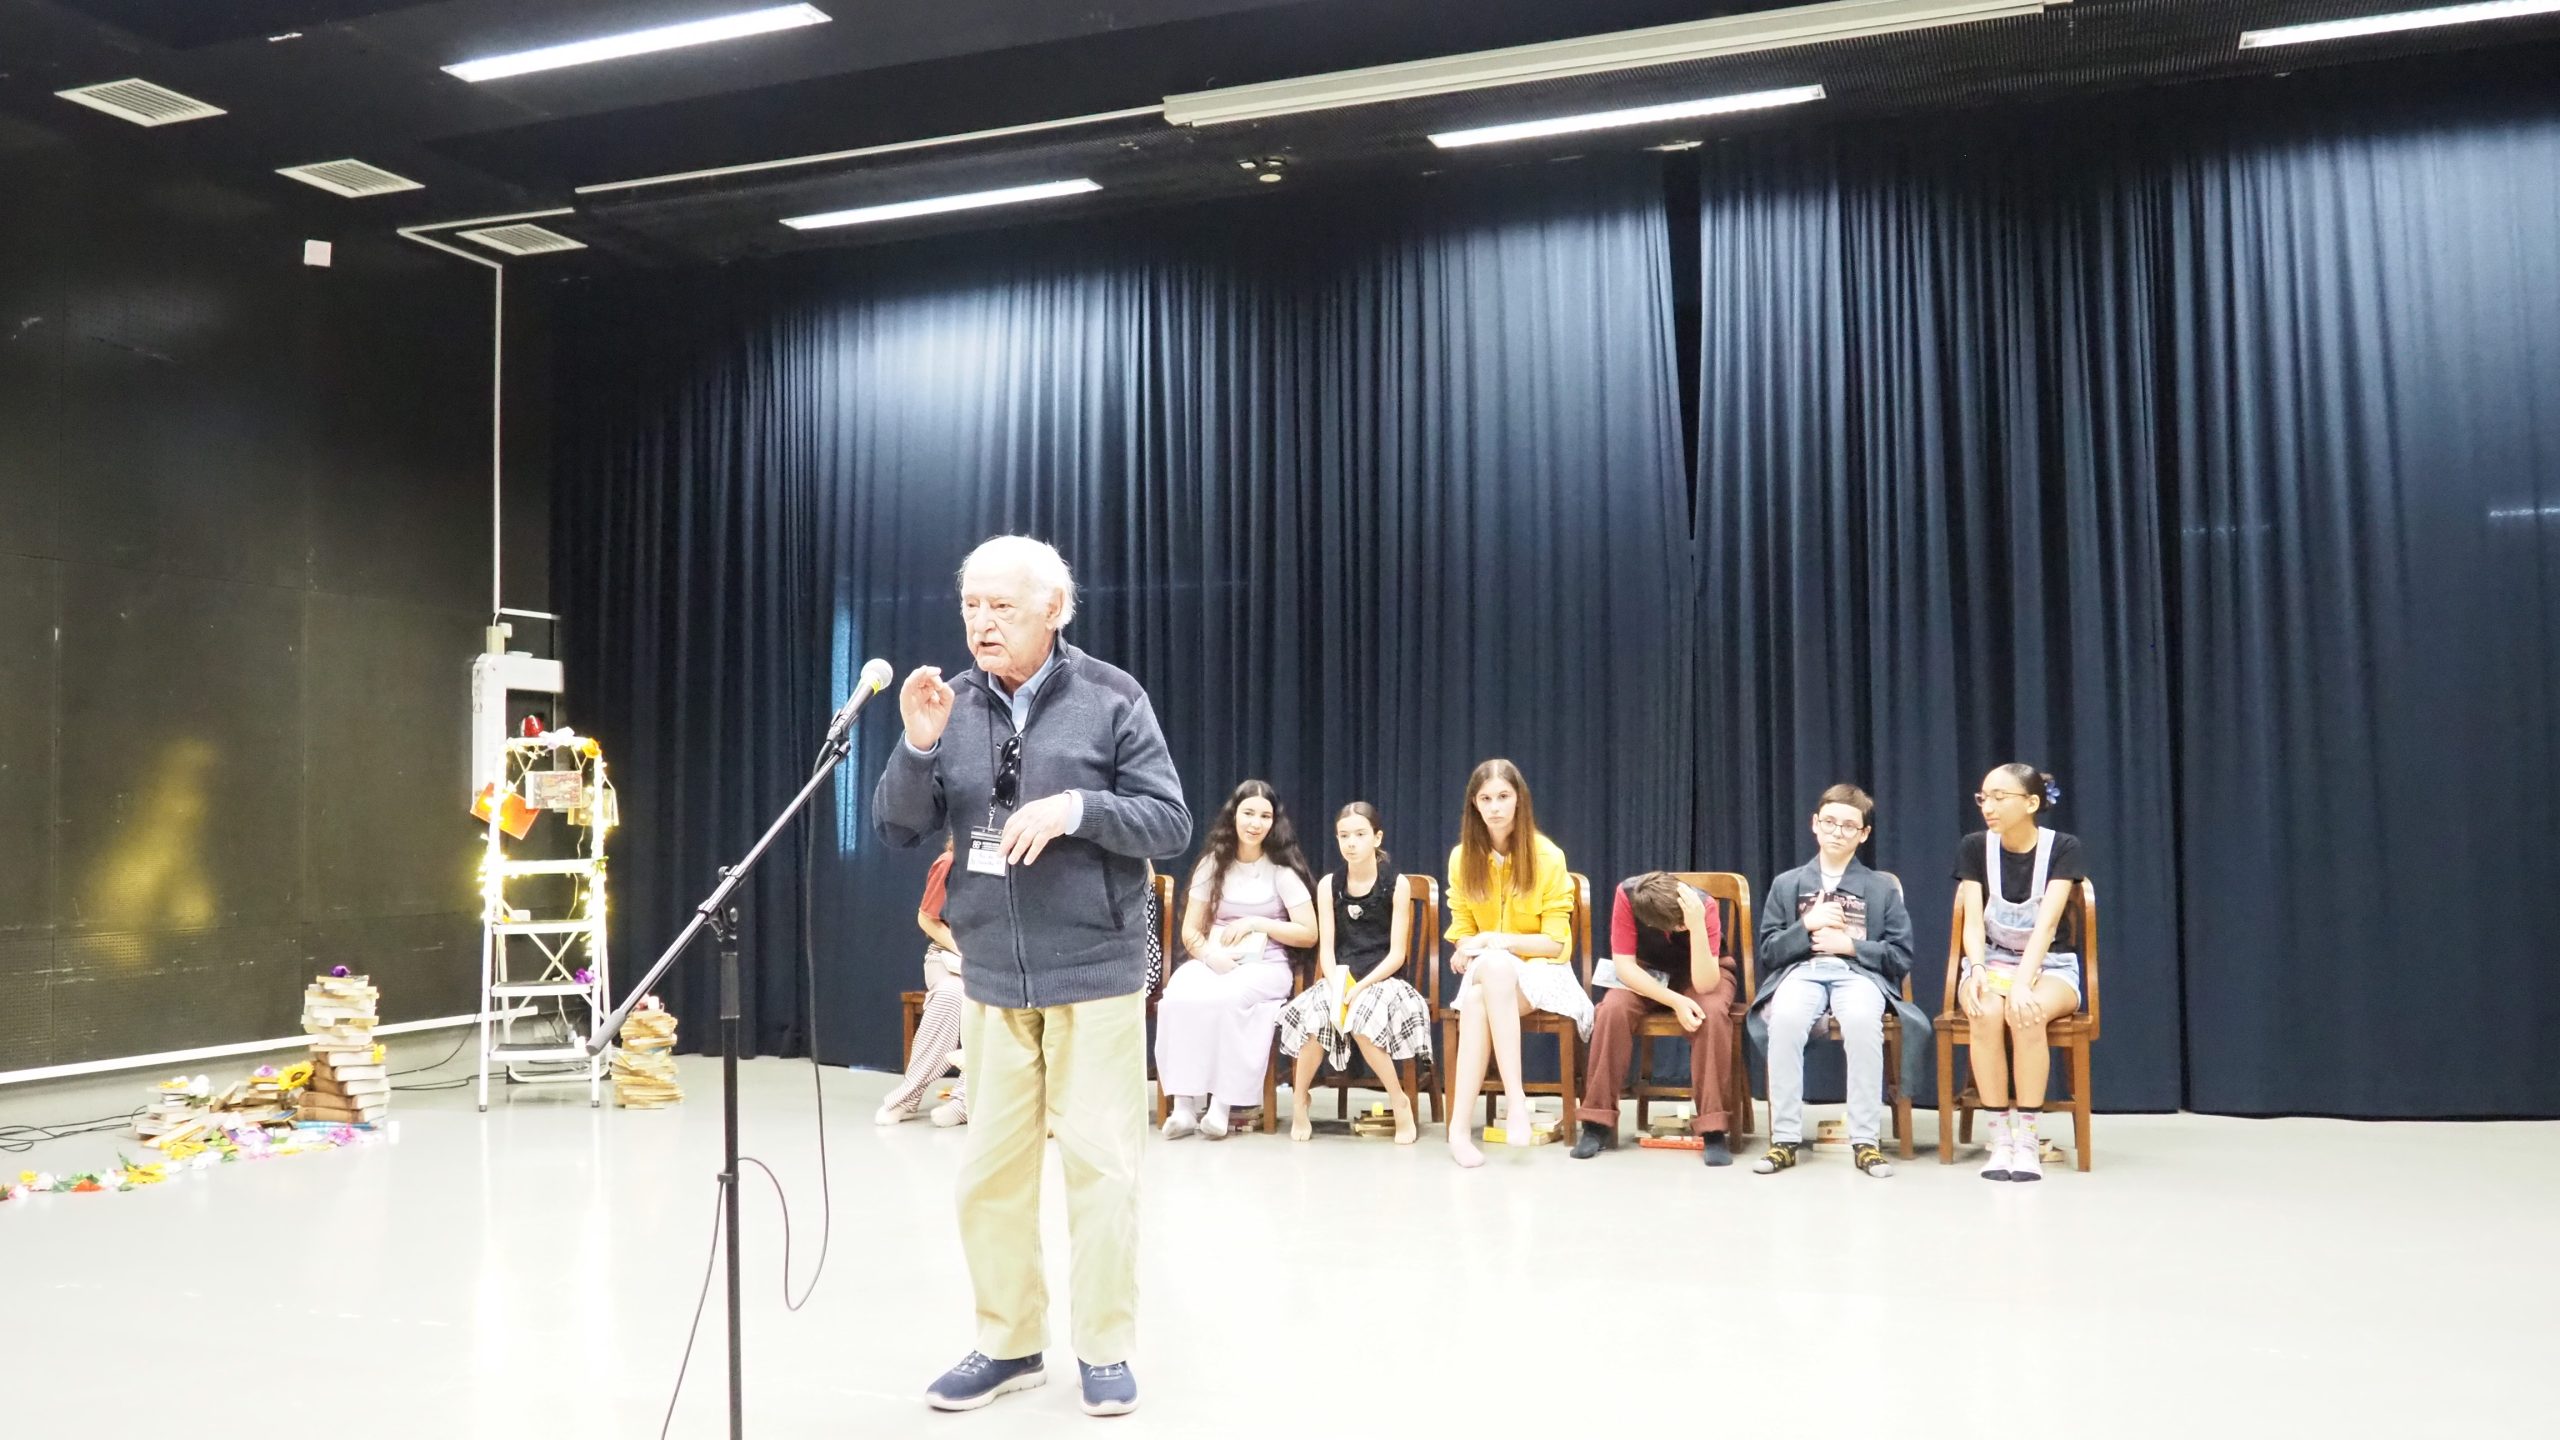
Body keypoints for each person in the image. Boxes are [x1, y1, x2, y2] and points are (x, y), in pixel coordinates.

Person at [874, 535, 1192, 1416]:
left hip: (1093, 972)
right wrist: (919, 745)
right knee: (990, 1176)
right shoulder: (951, 702)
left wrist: (1078, 809)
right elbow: (897, 827)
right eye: (970, 606)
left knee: (1101, 1171)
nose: (981, 622)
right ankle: (1009, 1343)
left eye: (1001, 607)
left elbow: (1169, 821)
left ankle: (1105, 1349)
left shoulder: (1112, 696)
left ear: (1054, 609)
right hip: (992, 979)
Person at [1749, 784, 1917, 1179]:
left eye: (1848, 826)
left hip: (1858, 974)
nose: (1837, 832)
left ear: (1864, 834)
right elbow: (1770, 952)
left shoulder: (1881, 888)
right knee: (1785, 1020)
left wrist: (1851, 946)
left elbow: (1900, 955)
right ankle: (1784, 1139)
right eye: (1829, 822)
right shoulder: (1787, 884)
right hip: (1801, 972)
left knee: (1862, 1023)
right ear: (1815, 824)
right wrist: (1806, 925)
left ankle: (1866, 1141)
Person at [1442, 759, 1590, 1169]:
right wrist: (1466, 945)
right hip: (1489, 969)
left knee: (1480, 997)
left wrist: (1496, 941)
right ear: (1474, 805)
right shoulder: (1461, 858)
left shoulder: (1548, 857)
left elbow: (1555, 943)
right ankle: (1514, 1101)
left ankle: (1462, 1128)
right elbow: (1462, 928)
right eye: (1485, 798)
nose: (1495, 807)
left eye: (1503, 797)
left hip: (1543, 970)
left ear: (1519, 800)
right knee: (1494, 968)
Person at [1155, 781, 1319, 1139]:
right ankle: (1183, 1107)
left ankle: (1222, 1106)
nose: (1255, 823)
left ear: (1274, 822)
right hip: (1214, 959)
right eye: (1248, 813)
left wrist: (1259, 923)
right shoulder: (1213, 865)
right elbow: (1190, 931)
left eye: (1265, 816)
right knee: (1179, 994)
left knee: (1228, 1000)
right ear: (1234, 816)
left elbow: (1309, 932)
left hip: (1266, 966)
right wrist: (1209, 956)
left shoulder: (1282, 871)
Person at [1954, 763, 2086, 1183]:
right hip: (1992, 960)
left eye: (1999, 797)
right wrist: (1976, 968)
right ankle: (2000, 1139)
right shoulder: (1975, 847)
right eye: (1983, 798)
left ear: (2031, 803)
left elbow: (2047, 926)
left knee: (2025, 1012)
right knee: (1985, 1011)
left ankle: (2027, 1139)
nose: (1988, 807)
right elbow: (1972, 924)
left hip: (2049, 964)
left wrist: (2023, 984)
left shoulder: (2062, 847)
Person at [1276, 802, 1433, 1144]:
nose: (1351, 843)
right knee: (1316, 1016)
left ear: (1377, 838)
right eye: (1344, 836)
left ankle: (1399, 1101)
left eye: (1360, 835)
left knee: (1361, 1019)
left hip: (1384, 978)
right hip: (1340, 976)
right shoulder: (1329, 885)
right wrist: (1336, 984)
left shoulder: (1396, 884)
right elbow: (1327, 950)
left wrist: (1360, 987)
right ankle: (1300, 1099)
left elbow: (1397, 954)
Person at [1572, 872, 1737, 1165]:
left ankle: (1712, 1128)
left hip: (1702, 973)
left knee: (1711, 1014)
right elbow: (1625, 966)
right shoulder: (1627, 896)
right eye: (1678, 926)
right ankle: (1596, 1122)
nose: (1681, 927)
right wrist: (1675, 1000)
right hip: (1647, 973)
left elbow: (1705, 984)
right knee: (1612, 1010)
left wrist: (1696, 926)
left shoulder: (1703, 906)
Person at [876, 835, 970, 1127]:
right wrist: (965, 952)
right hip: (948, 954)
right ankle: (908, 1095)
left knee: (994, 1002)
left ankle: (965, 1101)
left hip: (998, 962)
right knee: (952, 994)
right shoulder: (949, 863)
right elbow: (927, 919)